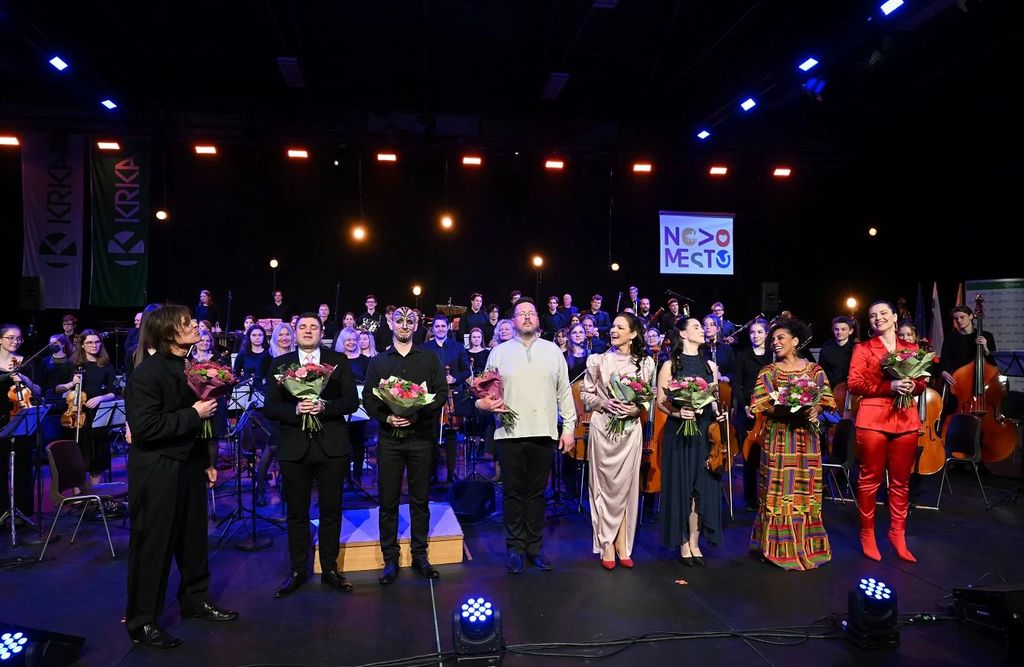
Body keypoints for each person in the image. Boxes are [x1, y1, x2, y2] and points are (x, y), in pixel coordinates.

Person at [123, 305, 236, 649]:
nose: (194, 326)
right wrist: (194, 413)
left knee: (193, 540)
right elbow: (145, 428)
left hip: (188, 465)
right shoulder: (147, 374)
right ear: (169, 333)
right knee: (154, 546)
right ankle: (143, 622)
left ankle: (195, 600)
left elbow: (194, 424)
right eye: (186, 323)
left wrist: (206, 461)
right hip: (158, 470)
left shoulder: (188, 367)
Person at [475, 298, 576, 573]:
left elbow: (564, 392)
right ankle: (515, 548)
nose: (527, 317)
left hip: (543, 432)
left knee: (536, 494)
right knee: (512, 493)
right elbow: (485, 391)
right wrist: (483, 403)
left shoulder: (552, 351)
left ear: (538, 319)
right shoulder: (499, 353)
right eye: (522, 314)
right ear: (513, 321)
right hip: (509, 433)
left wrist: (568, 428)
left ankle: (533, 547)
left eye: (531, 313)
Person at [264, 313, 359, 598]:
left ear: (321, 331)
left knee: (331, 511)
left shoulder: (338, 360)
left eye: (313, 327)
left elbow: (351, 401)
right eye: (302, 327)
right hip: (294, 447)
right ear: (295, 332)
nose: (308, 331)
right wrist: (295, 410)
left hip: (332, 446)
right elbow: (270, 407)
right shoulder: (280, 364)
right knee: (296, 514)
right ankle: (297, 571)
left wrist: (324, 407)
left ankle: (330, 569)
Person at [362, 307, 448, 584]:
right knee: (388, 501)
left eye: (410, 321)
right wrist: (388, 417)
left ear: (416, 325)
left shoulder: (429, 358)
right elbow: (368, 399)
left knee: (420, 500)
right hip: (389, 440)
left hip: (421, 439)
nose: (404, 325)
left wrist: (416, 413)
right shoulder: (378, 362)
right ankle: (390, 558)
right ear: (390, 324)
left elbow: (441, 393)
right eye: (399, 320)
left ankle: (420, 555)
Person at [748, 318, 835, 570]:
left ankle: (807, 546)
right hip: (780, 438)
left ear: (795, 341)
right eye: (773, 340)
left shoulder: (814, 370)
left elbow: (826, 398)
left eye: (780, 338)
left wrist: (816, 408)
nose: (775, 343)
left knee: (805, 489)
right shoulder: (769, 371)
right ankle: (776, 548)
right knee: (779, 490)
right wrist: (785, 407)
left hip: (807, 440)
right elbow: (760, 403)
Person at [848, 300, 925, 563]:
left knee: (902, 482)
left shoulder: (912, 348)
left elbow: (922, 382)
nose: (878, 318)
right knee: (870, 479)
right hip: (873, 418)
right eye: (872, 315)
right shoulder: (863, 348)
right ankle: (867, 533)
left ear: (894, 317)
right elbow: (854, 383)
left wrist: (912, 386)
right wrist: (889, 387)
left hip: (905, 418)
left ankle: (897, 534)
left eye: (883, 313)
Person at [580, 313, 655, 569]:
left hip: (630, 431)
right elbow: (585, 394)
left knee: (626, 487)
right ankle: (606, 543)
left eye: (620, 327)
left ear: (633, 334)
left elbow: (648, 398)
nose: (613, 330)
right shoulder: (598, 361)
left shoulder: (646, 363)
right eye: (612, 326)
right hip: (603, 430)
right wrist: (603, 402)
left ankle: (622, 542)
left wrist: (637, 409)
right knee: (604, 488)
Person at [655, 316, 725, 566]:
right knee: (682, 488)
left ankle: (695, 542)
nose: (702, 330)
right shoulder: (670, 365)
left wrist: (718, 413)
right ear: (683, 334)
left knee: (701, 489)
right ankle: (683, 542)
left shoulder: (710, 365)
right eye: (696, 326)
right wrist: (677, 413)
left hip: (704, 433)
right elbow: (660, 402)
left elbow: (713, 400)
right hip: (679, 433)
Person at [54, 329, 117, 486]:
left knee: (96, 459)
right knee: (76, 458)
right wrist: (72, 383)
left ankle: (95, 494)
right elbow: (57, 388)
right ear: (82, 345)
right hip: (75, 416)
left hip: (97, 415)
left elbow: (113, 392)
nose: (94, 345)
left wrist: (100, 398)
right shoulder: (72, 365)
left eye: (97, 342)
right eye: (89, 342)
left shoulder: (106, 366)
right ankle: (78, 495)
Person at [421, 314, 471, 484]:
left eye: (443, 326)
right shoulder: (425, 348)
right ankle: (432, 473)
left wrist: (455, 378)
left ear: (448, 327)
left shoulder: (458, 347)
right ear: (433, 329)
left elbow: (466, 371)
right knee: (431, 435)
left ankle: (451, 473)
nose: (440, 329)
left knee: (451, 436)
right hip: (432, 396)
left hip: (451, 397)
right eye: (437, 326)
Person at [1, 324, 43, 523]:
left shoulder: (26, 363)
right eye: (10, 337)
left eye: (18, 338)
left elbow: (38, 391)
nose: (15, 341)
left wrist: (23, 378)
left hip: (21, 420)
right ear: (0, 339)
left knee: (23, 467)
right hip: (1, 420)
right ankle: (2, 512)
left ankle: (22, 512)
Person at [733, 317, 771, 510]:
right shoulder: (742, 356)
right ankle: (750, 500)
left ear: (766, 334)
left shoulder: (773, 355)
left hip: (770, 410)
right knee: (749, 456)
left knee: (770, 456)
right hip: (748, 410)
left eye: (759, 332)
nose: (755, 336)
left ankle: (769, 497)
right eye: (752, 332)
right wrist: (744, 405)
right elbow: (736, 384)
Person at [336, 327, 370, 485]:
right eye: (348, 340)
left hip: (360, 408)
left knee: (358, 442)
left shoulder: (365, 360)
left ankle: (357, 476)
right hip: (342, 406)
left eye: (354, 339)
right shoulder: (337, 359)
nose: (351, 342)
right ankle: (344, 477)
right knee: (343, 443)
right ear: (342, 341)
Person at [818, 315, 856, 389]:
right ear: (832, 330)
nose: (839, 332)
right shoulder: (826, 348)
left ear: (850, 331)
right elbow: (821, 372)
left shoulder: (856, 348)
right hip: (832, 388)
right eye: (836, 329)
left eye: (843, 329)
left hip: (852, 388)